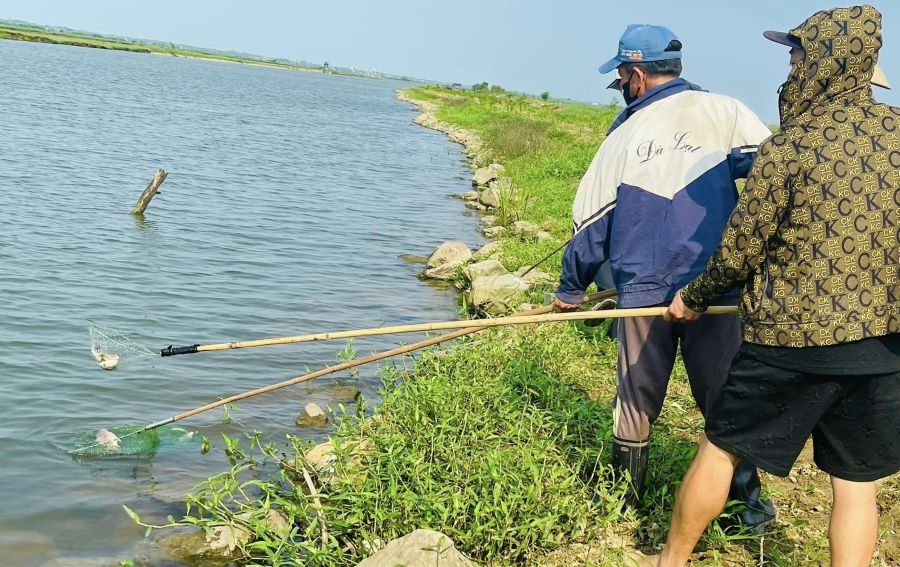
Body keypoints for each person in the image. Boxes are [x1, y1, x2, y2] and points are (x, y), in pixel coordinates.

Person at [654, 5, 900, 566]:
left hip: (790, 340)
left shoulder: (790, 148)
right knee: (857, 484)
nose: (788, 70)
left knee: (719, 449)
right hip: (883, 344)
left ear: (822, 63)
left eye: (795, 56)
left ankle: (670, 561)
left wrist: (692, 299)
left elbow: (741, 249)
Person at [552, 23, 776, 528]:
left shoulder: (624, 134)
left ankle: (623, 500)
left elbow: (590, 221)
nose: (623, 89)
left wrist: (571, 288)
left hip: (643, 289)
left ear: (634, 74)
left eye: (622, 79)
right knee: (723, 393)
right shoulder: (727, 110)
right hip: (717, 283)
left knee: (636, 392)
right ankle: (748, 511)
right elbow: (772, 177)